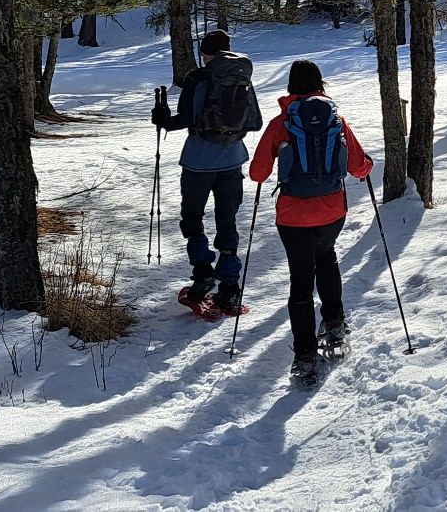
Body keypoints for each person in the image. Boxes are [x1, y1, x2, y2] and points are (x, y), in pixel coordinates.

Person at [248, 60, 373, 378]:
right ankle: (335, 324)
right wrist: (368, 165)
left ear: (291, 85)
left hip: (293, 215)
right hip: (332, 211)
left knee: (301, 280)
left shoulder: (281, 123)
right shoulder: (336, 120)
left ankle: (305, 355)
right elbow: (358, 167)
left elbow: (258, 173)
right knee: (326, 259)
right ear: (320, 84)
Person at [152, 29, 262, 314]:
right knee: (227, 220)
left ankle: (203, 273)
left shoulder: (198, 78)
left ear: (204, 53)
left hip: (198, 161)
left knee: (192, 217)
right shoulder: (241, 75)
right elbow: (254, 121)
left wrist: (163, 120)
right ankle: (230, 287)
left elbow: (185, 119)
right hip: (233, 159)